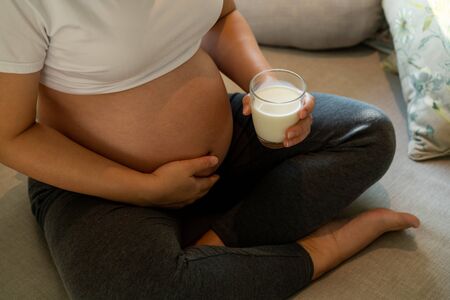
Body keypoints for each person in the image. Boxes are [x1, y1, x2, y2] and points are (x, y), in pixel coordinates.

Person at [0, 0, 420, 299]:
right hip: (99, 185)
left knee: (368, 132)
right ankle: (322, 249)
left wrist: (266, 85)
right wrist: (144, 189)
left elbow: (221, 19)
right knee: (132, 291)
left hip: (226, 148)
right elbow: (10, 135)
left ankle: (217, 240)